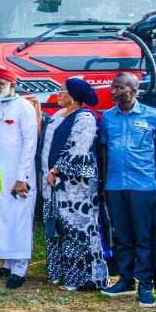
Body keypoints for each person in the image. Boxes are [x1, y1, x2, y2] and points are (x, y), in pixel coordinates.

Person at [100, 72, 156, 307]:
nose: (113, 92)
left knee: (143, 237)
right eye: (113, 87)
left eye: (119, 88)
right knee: (122, 235)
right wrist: (103, 180)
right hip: (115, 185)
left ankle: (145, 284)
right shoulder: (108, 118)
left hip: (144, 186)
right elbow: (103, 149)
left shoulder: (153, 115)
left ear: (133, 90)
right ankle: (126, 279)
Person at [41, 78, 109, 292]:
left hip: (75, 187)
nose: (58, 94)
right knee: (56, 229)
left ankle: (79, 278)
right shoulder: (56, 116)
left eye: (62, 91)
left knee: (75, 231)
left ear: (73, 96)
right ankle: (58, 273)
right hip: (53, 187)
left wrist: (55, 170)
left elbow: (78, 149)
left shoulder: (86, 117)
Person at [0, 69, 38, 289]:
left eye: (0, 82)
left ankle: (20, 270)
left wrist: (21, 177)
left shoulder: (24, 106)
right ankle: (7, 264)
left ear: (12, 85)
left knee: (19, 220)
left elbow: (30, 143)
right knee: (3, 219)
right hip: (1, 177)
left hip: (19, 178)